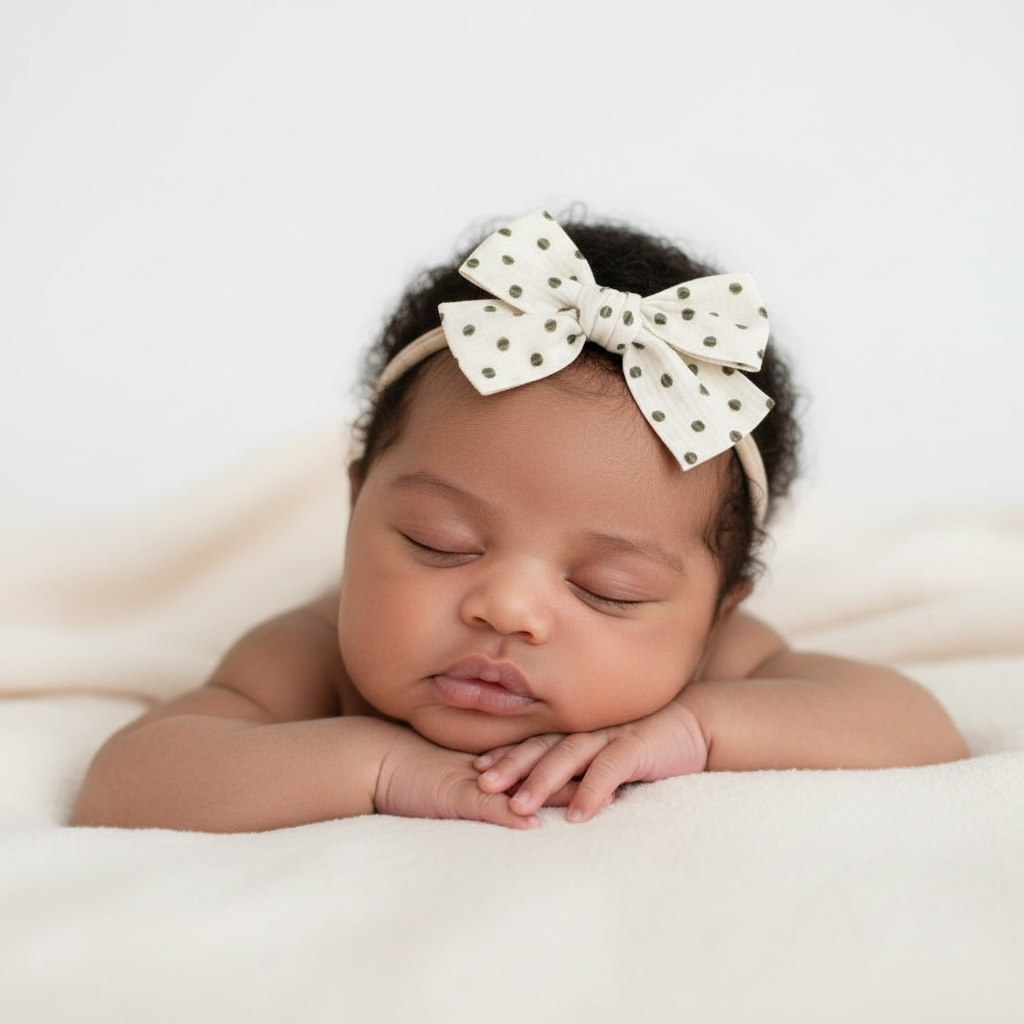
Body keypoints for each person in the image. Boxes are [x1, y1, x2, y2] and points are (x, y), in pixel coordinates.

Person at [70, 209, 968, 833]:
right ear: (355, 507)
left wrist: (699, 729)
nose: (506, 608)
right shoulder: (311, 659)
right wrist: (379, 768)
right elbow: (129, 782)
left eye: (609, 590)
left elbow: (918, 730)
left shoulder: (708, 669)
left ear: (714, 614)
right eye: (438, 542)